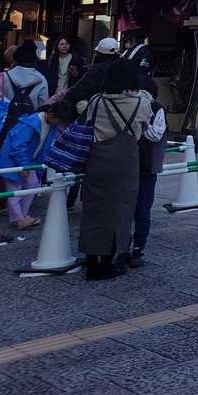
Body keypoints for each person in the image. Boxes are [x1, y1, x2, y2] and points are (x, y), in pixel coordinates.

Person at [76, 56, 156, 280]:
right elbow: (146, 127)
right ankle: (112, 260)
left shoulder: (96, 101)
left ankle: (92, 260)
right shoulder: (142, 103)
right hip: (126, 162)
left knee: (94, 209)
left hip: (97, 159)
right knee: (121, 210)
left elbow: (87, 118)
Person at [0, 103, 64, 231]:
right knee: (15, 190)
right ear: (51, 114)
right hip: (14, 160)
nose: (59, 123)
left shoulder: (46, 123)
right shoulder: (30, 124)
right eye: (58, 120)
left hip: (27, 160)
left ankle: (21, 217)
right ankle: (19, 219)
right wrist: (24, 166)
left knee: (32, 185)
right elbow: (18, 146)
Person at [0, 41, 49, 158]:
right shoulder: (41, 80)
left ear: (15, 59)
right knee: (20, 155)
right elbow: (43, 105)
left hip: (2, 125)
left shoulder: (3, 76)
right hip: (27, 126)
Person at [129, 91, 167, 265]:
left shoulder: (123, 102)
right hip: (146, 165)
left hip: (126, 164)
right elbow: (157, 134)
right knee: (143, 208)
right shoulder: (156, 108)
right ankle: (137, 247)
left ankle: (125, 247)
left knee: (127, 207)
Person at [63, 37, 120, 119]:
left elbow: (81, 89)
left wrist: (66, 98)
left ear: (99, 53)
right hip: (119, 110)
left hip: (98, 109)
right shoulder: (122, 68)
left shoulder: (97, 69)